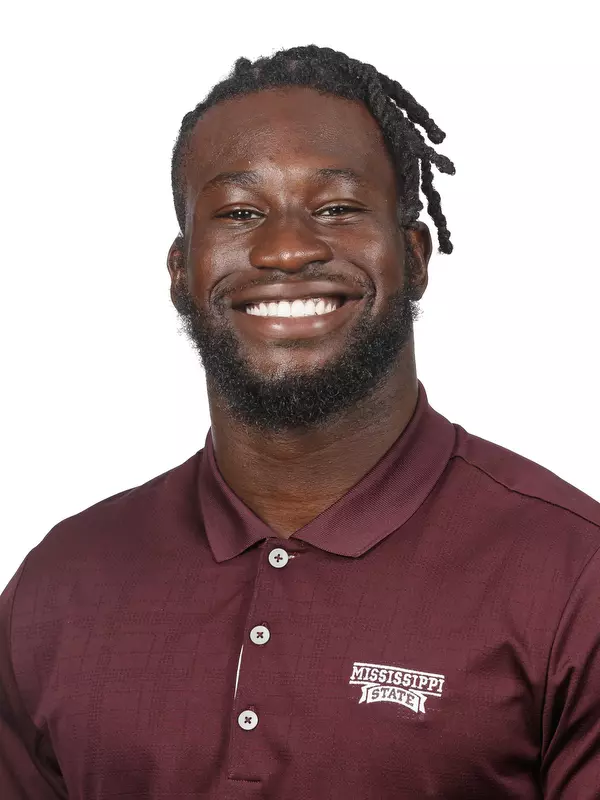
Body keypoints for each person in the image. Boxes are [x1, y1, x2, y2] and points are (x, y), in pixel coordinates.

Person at [1, 44, 599, 799]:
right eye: (241, 212)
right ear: (182, 271)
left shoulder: (576, 576)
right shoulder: (59, 583)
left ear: (414, 255)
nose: (286, 249)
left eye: (338, 209)